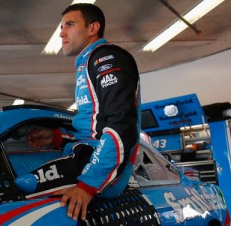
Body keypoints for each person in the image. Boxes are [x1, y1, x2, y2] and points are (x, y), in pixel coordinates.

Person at [23, 3, 141, 221]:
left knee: (16, 180)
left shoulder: (106, 58)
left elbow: (120, 126)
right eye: (61, 26)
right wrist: (58, 136)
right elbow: (95, 125)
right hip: (84, 153)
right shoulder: (88, 63)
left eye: (70, 24)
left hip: (99, 167)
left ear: (92, 28)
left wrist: (88, 185)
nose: (61, 32)